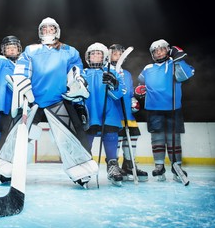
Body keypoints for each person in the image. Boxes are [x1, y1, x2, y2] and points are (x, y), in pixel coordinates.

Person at [0, 17, 97, 188]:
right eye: (44, 29)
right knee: (14, 132)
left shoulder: (69, 51)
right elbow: (22, 70)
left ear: (57, 31)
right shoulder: (31, 50)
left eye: (50, 29)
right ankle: (4, 168)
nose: (47, 32)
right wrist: (24, 87)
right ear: (40, 32)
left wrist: (77, 84)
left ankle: (81, 171)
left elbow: (76, 72)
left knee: (73, 134)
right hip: (32, 100)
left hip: (59, 99)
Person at [137, 39, 194, 182]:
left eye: (161, 49)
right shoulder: (148, 68)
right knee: (157, 138)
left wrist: (179, 58)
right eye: (155, 51)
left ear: (167, 50)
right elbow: (141, 83)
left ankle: (177, 166)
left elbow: (186, 75)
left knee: (173, 138)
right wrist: (140, 90)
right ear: (152, 54)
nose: (158, 52)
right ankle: (159, 166)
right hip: (153, 109)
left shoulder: (174, 64)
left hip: (173, 107)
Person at [82, 42, 127, 186]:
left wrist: (114, 84)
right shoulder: (82, 73)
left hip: (108, 111)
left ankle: (112, 165)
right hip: (90, 111)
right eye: (93, 54)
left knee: (110, 134)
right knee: (87, 136)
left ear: (104, 57)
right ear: (88, 57)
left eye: (99, 53)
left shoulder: (112, 72)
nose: (95, 56)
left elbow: (120, 94)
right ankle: (85, 165)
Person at [109, 44, 148, 182]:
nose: (118, 55)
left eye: (120, 54)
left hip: (128, 114)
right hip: (114, 113)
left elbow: (129, 92)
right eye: (115, 53)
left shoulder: (126, 74)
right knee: (117, 139)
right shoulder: (106, 71)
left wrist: (133, 101)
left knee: (132, 137)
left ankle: (129, 164)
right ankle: (115, 166)